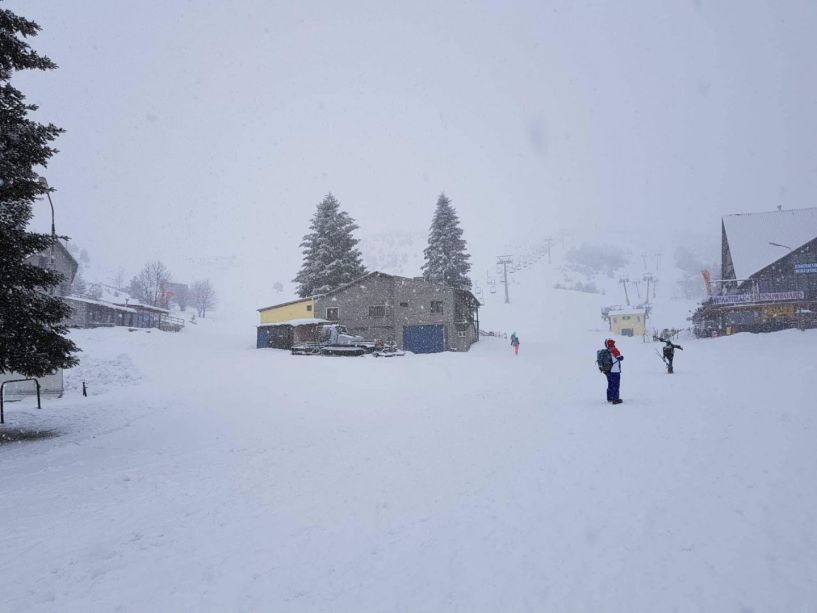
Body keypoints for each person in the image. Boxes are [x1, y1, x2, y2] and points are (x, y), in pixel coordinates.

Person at [603, 338, 624, 404]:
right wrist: (622, 356)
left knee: (610, 384)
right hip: (615, 371)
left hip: (608, 371)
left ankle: (610, 398)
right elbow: (620, 358)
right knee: (616, 385)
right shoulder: (614, 349)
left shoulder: (606, 351)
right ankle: (615, 399)